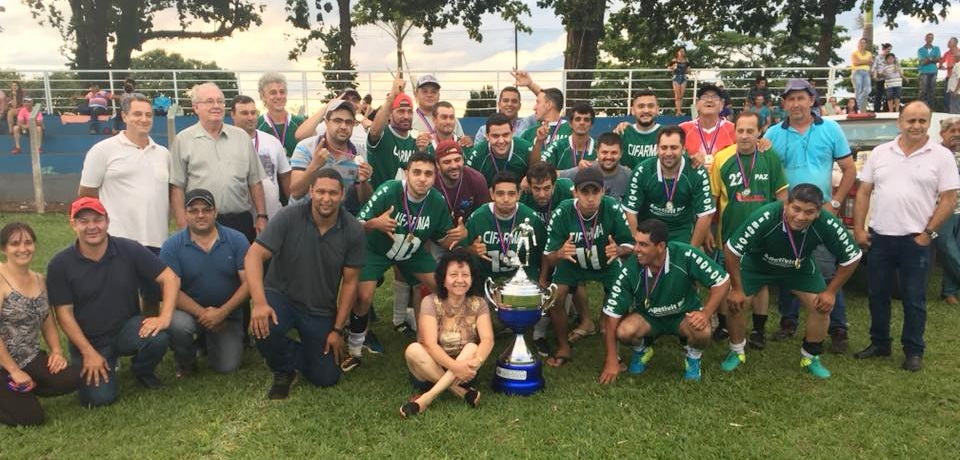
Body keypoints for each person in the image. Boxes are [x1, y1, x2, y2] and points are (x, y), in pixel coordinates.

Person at [853, 101, 960, 372]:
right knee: (878, 294)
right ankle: (880, 343)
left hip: (916, 240)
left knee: (914, 298)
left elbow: (948, 199)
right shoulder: (880, 153)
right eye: (911, 120)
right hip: (880, 237)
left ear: (929, 123)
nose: (916, 126)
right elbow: (864, 191)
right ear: (900, 122)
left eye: (922, 121)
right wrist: (859, 229)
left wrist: (928, 233)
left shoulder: (941, 156)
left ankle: (913, 350)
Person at [47, 197, 180, 407]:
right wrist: (88, 353)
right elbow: (64, 314)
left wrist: (164, 317)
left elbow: (170, 278)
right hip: (90, 341)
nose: (92, 226)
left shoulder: (129, 249)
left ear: (107, 221)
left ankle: (141, 370)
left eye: (97, 220)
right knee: (99, 399)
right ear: (73, 224)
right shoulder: (60, 264)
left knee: (158, 336)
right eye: (84, 221)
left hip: (126, 329)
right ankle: (102, 365)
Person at [245, 169, 363, 398]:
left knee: (326, 378)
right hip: (282, 296)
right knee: (264, 327)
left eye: (332, 193)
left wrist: (338, 330)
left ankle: (307, 354)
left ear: (342, 195)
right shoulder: (288, 216)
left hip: (319, 307)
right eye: (320, 192)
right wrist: (259, 303)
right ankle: (284, 369)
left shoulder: (353, 229)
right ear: (310, 191)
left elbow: (350, 283)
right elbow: (253, 256)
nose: (326, 198)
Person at [724, 184, 861, 377]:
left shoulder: (826, 222)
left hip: (799, 267)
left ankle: (810, 356)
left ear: (819, 212)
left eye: (809, 212)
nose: (800, 217)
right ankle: (736, 351)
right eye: (796, 209)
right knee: (737, 302)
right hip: (758, 265)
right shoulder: (766, 215)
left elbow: (853, 257)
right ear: (786, 204)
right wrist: (737, 288)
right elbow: (731, 250)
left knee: (820, 305)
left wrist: (830, 292)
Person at [347, 152, 465, 371]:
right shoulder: (389, 189)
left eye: (428, 174)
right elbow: (356, 225)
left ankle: (438, 339)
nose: (422, 178)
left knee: (441, 287)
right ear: (407, 173)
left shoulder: (437, 200)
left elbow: (443, 239)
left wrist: (459, 235)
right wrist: (375, 223)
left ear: (435, 176)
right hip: (376, 249)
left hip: (412, 250)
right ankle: (354, 346)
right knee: (364, 295)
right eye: (417, 172)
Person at [763, 78, 857, 352]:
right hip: (788, 214)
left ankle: (838, 327)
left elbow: (849, 169)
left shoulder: (830, 129)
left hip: (821, 212)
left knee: (826, 271)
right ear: (784, 104)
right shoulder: (773, 134)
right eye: (790, 99)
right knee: (789, 265)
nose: (795, 104)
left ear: (812, 100)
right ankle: (788, 321)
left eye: (801, 98)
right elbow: (762, 168)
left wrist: (836, 204)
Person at [599, 218, 729, 384]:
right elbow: (611, 316)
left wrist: (705, 313)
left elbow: (723, 282)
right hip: (649, 318)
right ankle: (641, 351)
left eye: (643, 245)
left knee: (702, 331)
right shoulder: (631, 268)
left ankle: (693, 358)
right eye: (636, 243)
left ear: (660, 246)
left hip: (683, 315)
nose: (636, 249)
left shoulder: (685, 254)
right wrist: (611, 360)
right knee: (624, 331)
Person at [710, 111, 788, 348]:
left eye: (750, 131)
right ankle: (724, 325)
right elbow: (714, 199)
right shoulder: (721, 158)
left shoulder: (770, 156)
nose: (745, 136)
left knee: (760, 282)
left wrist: (779, 229)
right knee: (727, 281)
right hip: (730, 233)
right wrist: (709, 231)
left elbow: (782, 196)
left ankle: (759, 330)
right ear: (734, 132)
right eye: (740, 131)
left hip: (763, 234)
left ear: (759, 132)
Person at [543, 167, 635, 367]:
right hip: (573, 263)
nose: (591, 198)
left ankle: (613, 348)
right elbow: (548, 256)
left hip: (606, 263)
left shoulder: (611, 207)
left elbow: (630, 244)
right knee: (556, 295)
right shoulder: (563, 211)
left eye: (595, 192)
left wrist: (618, 250)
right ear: (575, 192)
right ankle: (563, 345)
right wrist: (559, 253)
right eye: (585, 192)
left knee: (619, 298)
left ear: (603, 192)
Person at [162, 189, 250, 376]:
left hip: (227, 316)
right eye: (193, 210)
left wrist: (222, 312)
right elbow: (171, 290)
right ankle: (185, 360)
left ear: (215, 212)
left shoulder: (237, 239)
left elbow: (249, 283)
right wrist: (204, 314)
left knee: (227, 366)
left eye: (206, 209)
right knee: (177, 325)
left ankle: (209, 342)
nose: (200, 215)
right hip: (189, 314)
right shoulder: (171, 246)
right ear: (185, 213)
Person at [0, 222, 80, 426]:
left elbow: (47, 320)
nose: (23, 248)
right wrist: (14, 371)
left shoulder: (39, 279)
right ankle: (12, 394)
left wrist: (56, 351)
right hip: (3, 364)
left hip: (28, 357)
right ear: (3, 249)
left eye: (28, 242)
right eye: (15, 243)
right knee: (31, 418)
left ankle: (19, 393)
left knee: (72, 378)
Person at [399, 248, 493, 417]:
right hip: (428, 369)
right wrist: (455, 367)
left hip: (466, 371)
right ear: (443, 279)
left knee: (472, 347)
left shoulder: (479, 303)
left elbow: (488, 339)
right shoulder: (430, 302)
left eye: (465, 275)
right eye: (453, 275)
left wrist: (476, 362)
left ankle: (425, 400)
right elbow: (429, 344)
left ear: (472, 279)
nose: (460, 280)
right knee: (413, 349)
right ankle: (461, 392)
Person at [169, 82, 268, 243]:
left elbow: (255, 181)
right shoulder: (183, 140)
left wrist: (262, 216)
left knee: (243, 267)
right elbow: (177, 186)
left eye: (220, 101)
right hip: (200, 222)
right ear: (196, 107)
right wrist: (182, 223)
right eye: (209, 101)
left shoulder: (241, 137)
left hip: (239, 221)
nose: (216, 106)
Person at [79, 93, 171, 253]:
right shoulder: (102, 150)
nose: (144, 119)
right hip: (117, 242)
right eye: (137, 114)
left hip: (157, 242)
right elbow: (87, 194)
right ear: (124, 116)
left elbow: (168, 195)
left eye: (148, 115)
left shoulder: (163, 154)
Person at [622, 125, 715, 247]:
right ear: (657, 149)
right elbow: (630, 212)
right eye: (664, 148)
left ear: (683, 149)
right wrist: (638, 246)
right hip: (649, 233)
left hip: (681, 232)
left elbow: (705, 215)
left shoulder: (696, 171)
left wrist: (691, 251)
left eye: (674, 147)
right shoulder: (642, 170)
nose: (668, 153)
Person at [290, 99, 372, 215]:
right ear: (326, 122)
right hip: (300, 218)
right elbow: (296, 193)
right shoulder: (306, 147)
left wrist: (364, 182)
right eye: (338, 121)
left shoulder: (358, 154)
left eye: (349, 122)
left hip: (334, 221)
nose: (344, 126)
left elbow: (364, 200)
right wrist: (314, 166)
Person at [463, 171, 545, 281]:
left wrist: (542, 279)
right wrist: (472, 250)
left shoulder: (531, 219)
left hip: (523, 283)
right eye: (500, 193)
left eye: (511, 194)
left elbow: (545, 253)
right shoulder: (478, 218)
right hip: (486, 280)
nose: (506, 199)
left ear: (518, 194)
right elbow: (461, 252)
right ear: (492, 194)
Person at [232, 94, 291, 220]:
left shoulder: (272, 142)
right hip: (239, 218)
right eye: (244, 113)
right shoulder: (226, 143)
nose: (251, 117)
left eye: (253, 113)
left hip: (272, 217)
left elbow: (286, 177)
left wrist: (293, 207)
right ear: (232, 115)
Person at [367, 76, 418, 188]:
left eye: (410, 112)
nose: (406, 116)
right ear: (390, 114)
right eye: (401, 111)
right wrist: (392, 97)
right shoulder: (382, 134)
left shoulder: (416, 139)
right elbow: (374, 132)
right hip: (381, 202)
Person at [465, 113, 534, 186]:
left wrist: (529, 178)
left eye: (505, 135)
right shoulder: (477, 154)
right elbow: (466, 183)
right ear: (487, 136)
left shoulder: (527, 149)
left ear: (512, 133)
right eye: (495, 136)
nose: (501, 141)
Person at [296, 88, 369, 158]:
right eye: (345, 99)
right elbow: (300, 136)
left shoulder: (365, 128)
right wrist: (328, 106)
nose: (351, 103)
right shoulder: (329, 125)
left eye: (355, 100)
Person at [433, 139, 490, 224]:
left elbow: (484, 217)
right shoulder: (430, 181)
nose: (454, 166)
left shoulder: (477, 180)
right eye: (447, 162)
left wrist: (467, 232)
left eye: (457, 160)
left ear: (463, 160)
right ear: (437, 165)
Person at [679, 83, 736, 168]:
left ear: (722, 104)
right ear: (697, 104)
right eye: (704, 97)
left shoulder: (734, 129)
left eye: (715, 97)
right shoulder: (682, 129)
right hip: (695, 179)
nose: (709, 100)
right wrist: (688, 159)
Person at [935, 117, 960, 304]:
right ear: (942, 133)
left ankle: (949, 292)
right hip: (940, 210)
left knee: (957, 250)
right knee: (947, 249)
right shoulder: (934, 153)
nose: (957, 134)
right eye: (952, 131)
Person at [256, 72, 306, 157]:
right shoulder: (257, 125)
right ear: (262, 96)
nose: (279, 97)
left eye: (282, 92)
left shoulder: (300, 123)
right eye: (273, 93)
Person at [542, 103, 597, 177]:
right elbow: (541, 173)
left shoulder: (600, 148)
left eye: (586, 120)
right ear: (570, 124)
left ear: (591, 125)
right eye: (578, 119)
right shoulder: (557, 146)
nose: (582, 123)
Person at [518, 86, 570, 162]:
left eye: (538, 102)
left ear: (548, 105)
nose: (534, 107)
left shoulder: (571, 130)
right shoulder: (529, 133)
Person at [614, 90, 662, 169]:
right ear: (633, 110)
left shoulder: (667, 134)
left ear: (657, 109)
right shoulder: (622, 133)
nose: (646, 110)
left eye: (650, 106)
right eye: (641, 106)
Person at [918, 33, 942, 109]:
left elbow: (938, 59)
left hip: (933, 72)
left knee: (932, 91)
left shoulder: (937, 48)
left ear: (933, 39)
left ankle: (930, 108)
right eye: (928, 38)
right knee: (923, 90)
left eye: (931, 38)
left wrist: (929, 59)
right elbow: (922, 62)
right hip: (924, 72)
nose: (930, 39)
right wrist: (932, 59)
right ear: (925, 39)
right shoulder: (920, 50)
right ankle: (921, 108)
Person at [850, 38, 873, 112]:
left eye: (864, 43)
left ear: (865, 44)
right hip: (857, 72)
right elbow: (856, 63)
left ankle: (856, 105)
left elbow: (870, 63)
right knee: (858, 89)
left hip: (866, 73)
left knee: (868, 89)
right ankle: (857, 108)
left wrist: (861, 61)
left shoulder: (869, 53)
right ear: (858, 44)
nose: (862, 44)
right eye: (861, 43)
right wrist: (866, 61)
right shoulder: (854, 53)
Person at [668, 48, 690, 116]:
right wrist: (673, 67)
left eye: (683, 51)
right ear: (678, 52)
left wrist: (688, 70)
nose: (682, 52)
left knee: (681, 95)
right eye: (681, 51)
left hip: (683, 77)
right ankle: (678, 111)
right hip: (676, 77)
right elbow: (668, 68)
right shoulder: (675, 60)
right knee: (677, 95)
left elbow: (688, 69)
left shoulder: (686, 60)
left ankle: (680, 110)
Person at [871, 43, 893, 112]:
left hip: (889, 79)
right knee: (878, 95)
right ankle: (876, 110)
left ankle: (887, 110)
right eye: (888, 49)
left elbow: (895, 66)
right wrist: (876, 75)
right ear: (884, 49)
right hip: (880, 78)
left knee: (889, 95)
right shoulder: (878, 57)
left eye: (890, 50)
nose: (889, 51)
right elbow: (874, 68)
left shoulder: (891, 57)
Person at [940, 38, 959, 113]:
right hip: (949, 79)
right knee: (947, 99)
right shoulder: (947, 53)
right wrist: (941, 66)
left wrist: (950, 66)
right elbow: (941, 62)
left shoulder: (959, 52)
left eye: (949, 41)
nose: (947, 43)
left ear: (955, 43)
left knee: (956, 100)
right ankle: (948, 115)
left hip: (957, 79)